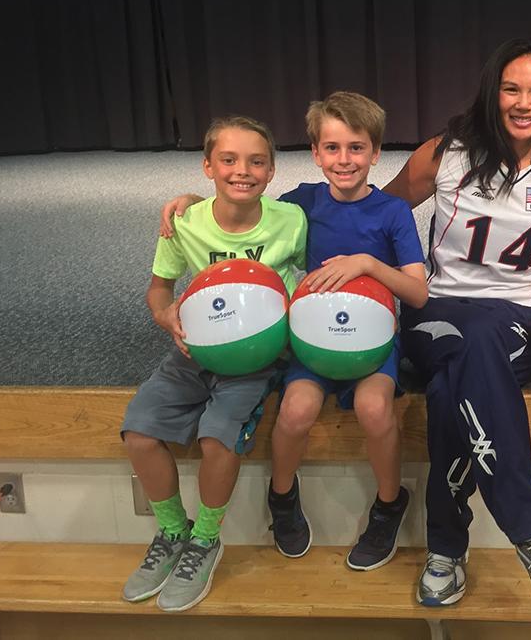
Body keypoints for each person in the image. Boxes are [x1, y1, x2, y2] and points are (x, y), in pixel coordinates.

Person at [161, 92, 428, 571]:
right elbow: (244, 212)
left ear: (376, 151)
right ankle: (281, 496)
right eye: (332, 148)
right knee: (295, 411)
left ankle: (389, 504)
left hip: (372, 343)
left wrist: (367, 264)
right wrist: (194, 202)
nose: (344, 159)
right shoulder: (302, 202)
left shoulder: (392, 213)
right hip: (309, 340)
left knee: (373, 406)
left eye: (356, 147)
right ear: (314, 153)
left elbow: (419, 293)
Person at [383, 37, 531, 623]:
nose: (523, 102)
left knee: (454, 388)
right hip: (437, 311)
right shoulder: (445, 152)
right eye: (511, 88)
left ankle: (446, 549)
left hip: (517, 320)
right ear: (491, 91)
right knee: (469, 343)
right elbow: (380, 211)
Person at [122, 115, 307, 611]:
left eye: (255, 161)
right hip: (193, 351)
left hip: (257, 360)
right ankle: (172, 532)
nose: (241, 170)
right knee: (139, 432)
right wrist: (168, 319)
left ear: (271, 172)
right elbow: (160, 288)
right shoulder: (184, 221)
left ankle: (205, 540)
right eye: (228, 160)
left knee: (216, 438)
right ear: (208, 166)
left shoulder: (291, 220)